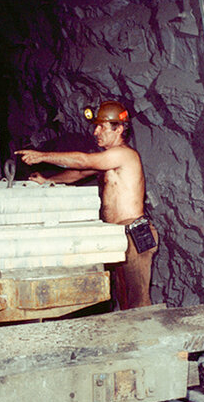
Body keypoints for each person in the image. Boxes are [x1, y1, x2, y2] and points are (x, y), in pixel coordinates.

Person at [14, 101, 158, 309]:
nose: (95, 132)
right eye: (95, 126)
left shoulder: (124, 154)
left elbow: (83, 161)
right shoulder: (108, 159)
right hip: (119, 235)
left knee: (139, 301)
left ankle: (148, 338)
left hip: (134, 234)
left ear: (118, 129)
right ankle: (131, 339)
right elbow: (79, 173)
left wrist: (42, 156)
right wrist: (48, 180)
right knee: (124, 298)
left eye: (102, 127)